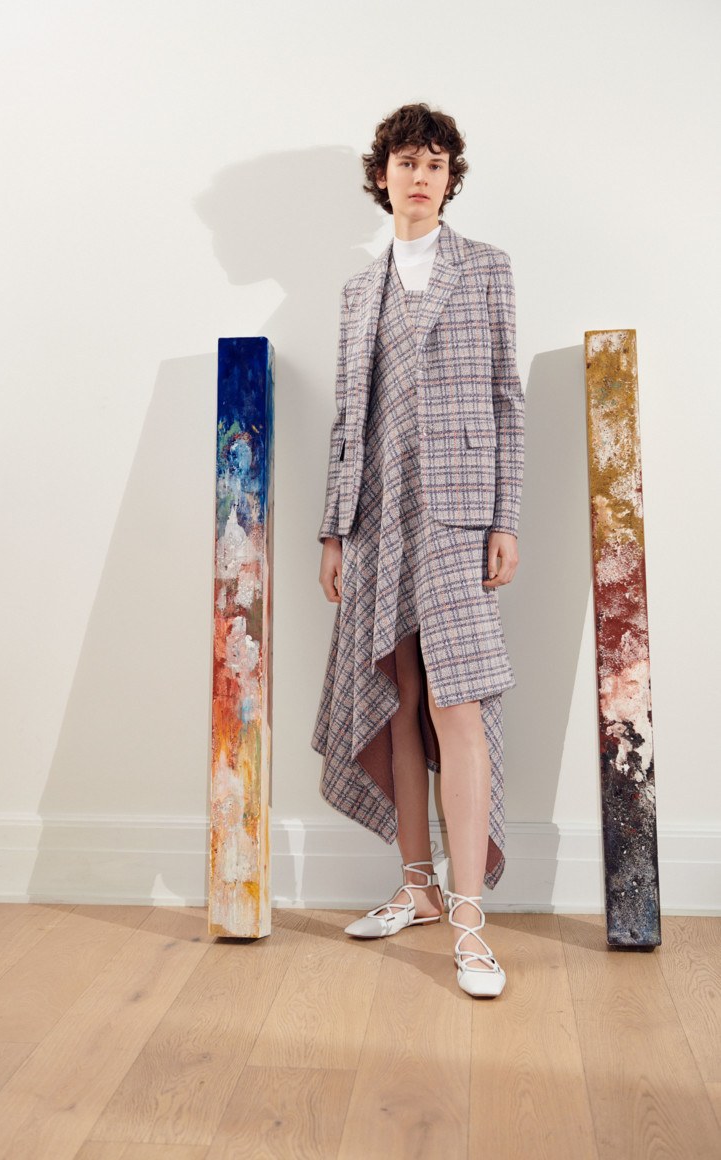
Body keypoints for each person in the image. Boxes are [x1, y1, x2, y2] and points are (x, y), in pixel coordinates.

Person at [311, 103, 525, 998]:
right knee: (398, 698)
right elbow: (346, 417)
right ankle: (416, 887)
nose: (421, 176)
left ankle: (469, 922)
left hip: (458, 517)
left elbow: (506, 397)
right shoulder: (358, 290)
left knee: (456, 701)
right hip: (376, 516)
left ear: (449, 179)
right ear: (382, 176)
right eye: (407, 161)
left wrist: (505, 518)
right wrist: (333, 528)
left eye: (436, 163)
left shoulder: (487, 269)